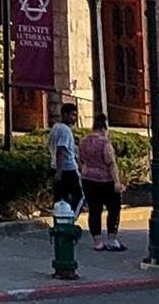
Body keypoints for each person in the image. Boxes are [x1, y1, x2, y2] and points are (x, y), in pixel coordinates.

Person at [79, 113, 125, 252]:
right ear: (104, 126)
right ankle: (112, 239)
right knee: (114, 209)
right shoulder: (105, 143)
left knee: (94, 210)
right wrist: (117, 182)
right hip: (105, 180)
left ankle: (97, 241)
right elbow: (111, 163)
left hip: (88, 178)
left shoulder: (84, 140)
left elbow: (80, 159)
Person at [48, 102, 82, 210]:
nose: (74, 118)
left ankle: (62, 219)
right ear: (65, 114)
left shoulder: (55, 127)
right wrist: (59, 171)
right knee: (78, 196)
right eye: (72, 115)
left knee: (61, 198)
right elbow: (61, 150)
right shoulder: (64, 130)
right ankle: (70, 217)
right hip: (67, 169)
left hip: (56, 166)